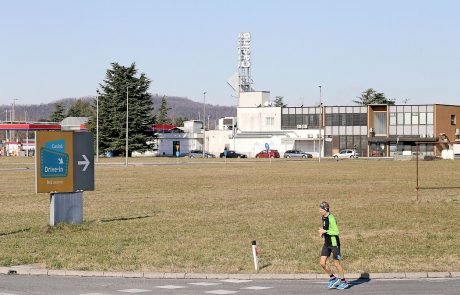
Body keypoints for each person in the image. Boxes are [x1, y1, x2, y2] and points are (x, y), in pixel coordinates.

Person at [318, 201, 349, 290]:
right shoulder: (323, 217)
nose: (319, 211)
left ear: (326, 209)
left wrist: (325, 231)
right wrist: (322, 233)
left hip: (334, 244)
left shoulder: (331, 218)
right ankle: (333, 278)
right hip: (327, 243)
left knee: (336, 264)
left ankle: (344, 281)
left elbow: (336, 232)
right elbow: (326, 227)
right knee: (322, 263)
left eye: (321, 209)